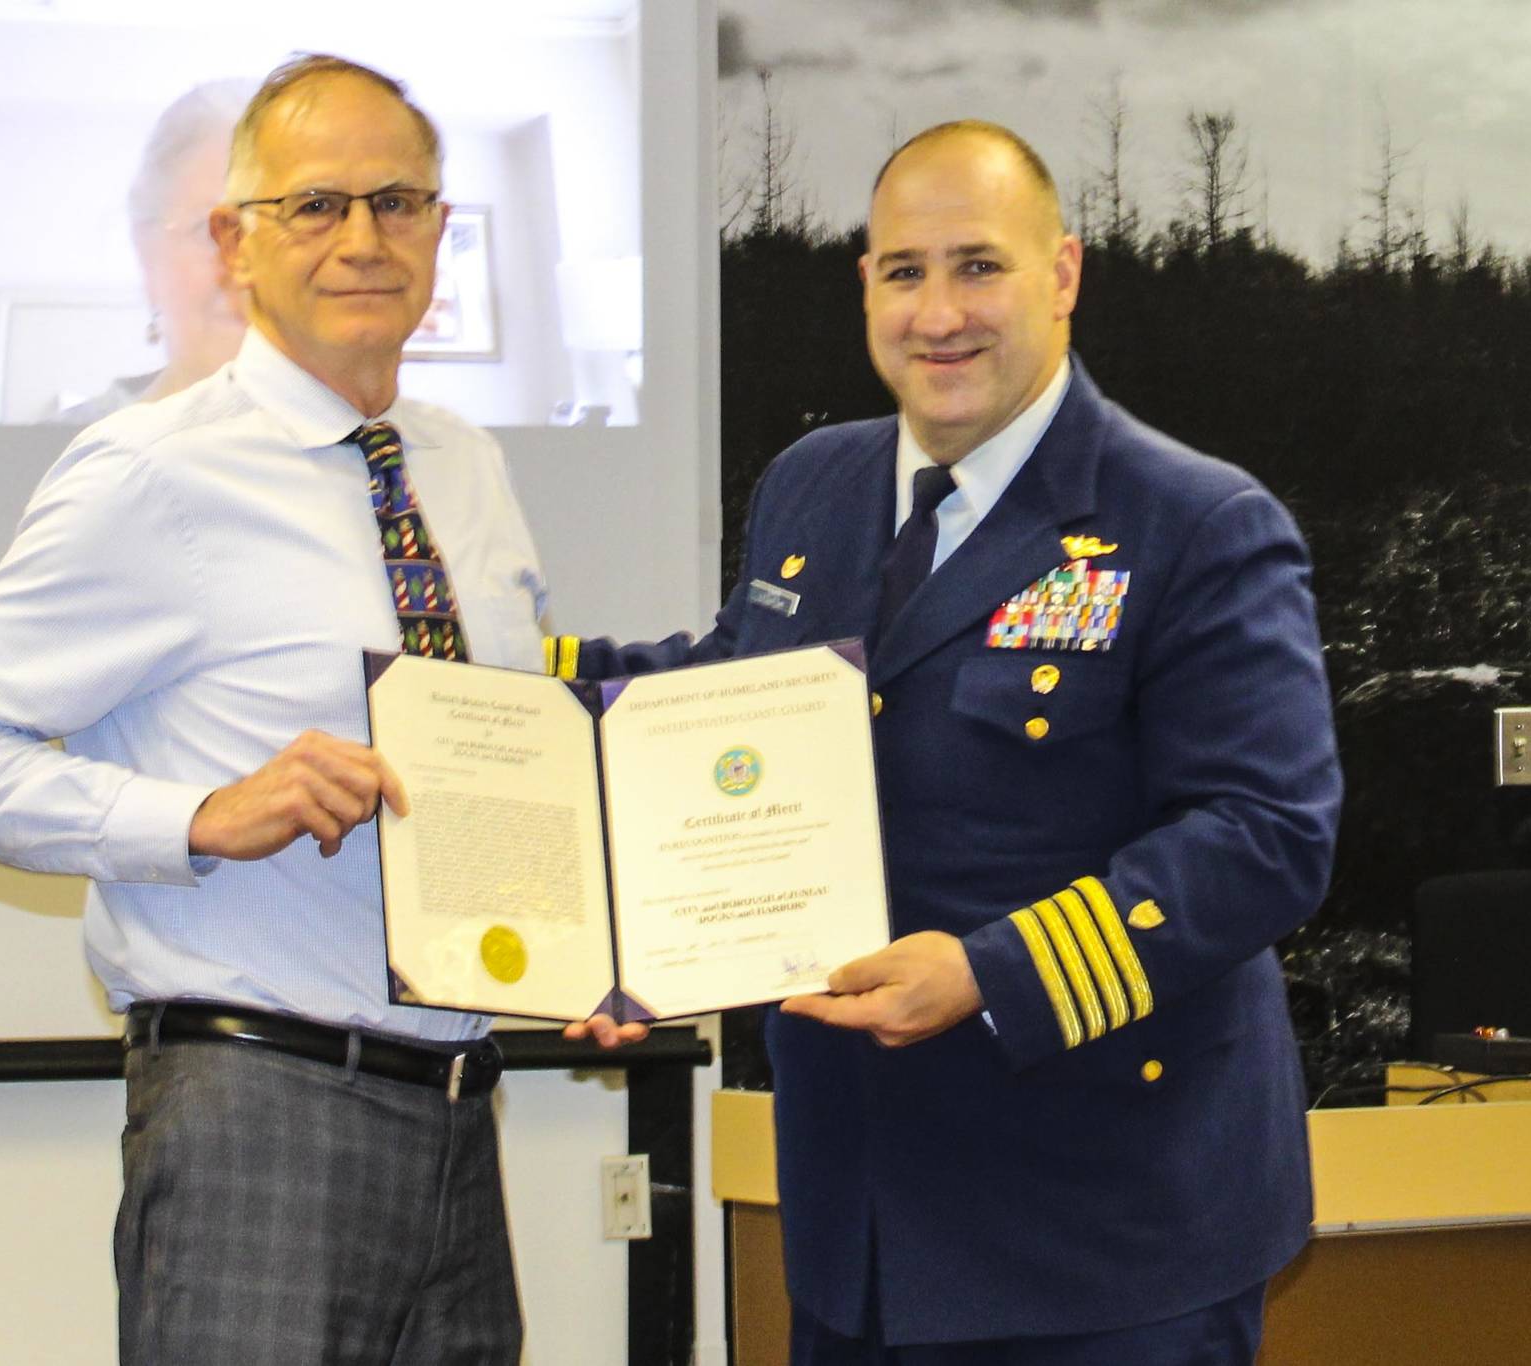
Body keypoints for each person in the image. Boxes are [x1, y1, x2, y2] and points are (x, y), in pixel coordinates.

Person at [0, 53, 633, 1365]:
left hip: (463, 1113)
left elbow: (503, 763)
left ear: (440, 229)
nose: (362, 238)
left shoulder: (465, 466)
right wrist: (199, 816)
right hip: (261, 1113)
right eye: (315, 205)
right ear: (234, 242)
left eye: (397, 202)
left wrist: (605, 949)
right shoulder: (151, 470)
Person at [557, 120, 1342, 1363]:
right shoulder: (813, 485)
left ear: (1062, 274)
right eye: (902, 271)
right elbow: (726, 698)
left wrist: (991, 971)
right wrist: (513, 708)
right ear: (863, 285)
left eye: (978, 266)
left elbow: (1265, 837)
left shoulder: (1192, 520)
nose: (937, 315)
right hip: (860, 1222)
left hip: (1103, 1235)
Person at [55, 79, 255, 425]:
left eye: (282, 233)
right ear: (148, 250)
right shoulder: (70, 447)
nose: (247, 267)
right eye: (210, 231)